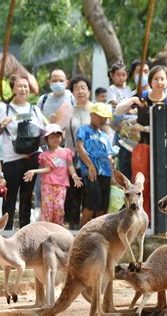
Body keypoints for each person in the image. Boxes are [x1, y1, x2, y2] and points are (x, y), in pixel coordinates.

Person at [0, 74, 46, 230]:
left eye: (26, 86)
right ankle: (6, 231)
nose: (23, 89)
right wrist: (3, 123)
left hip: (32, 158)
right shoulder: (4, 108)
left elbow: (42, 135)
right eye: (19, 86)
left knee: (26, 197)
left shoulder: (34, 109)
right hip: (12, 159)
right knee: (10, 198)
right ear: (12, 88)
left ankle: (25, 231)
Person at [131, 65, 167, 221]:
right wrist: (132, 100)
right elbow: (119, 111)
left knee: (160, 182)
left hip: (161, 148)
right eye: (156, 78)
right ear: (150, 81)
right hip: (141, 147)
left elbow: (166, 127)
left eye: (162, 78)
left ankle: (161, 218)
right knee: (141, 183)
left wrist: (143, 127)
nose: (159, 82)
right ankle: (143, 217)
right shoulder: (141, 97)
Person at [23, 124, 82, 225]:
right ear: (47, 139)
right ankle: (46, 230)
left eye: (58, 136)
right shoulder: (45, 155)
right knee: (48, 209)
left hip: (61, 185)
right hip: (47, 184)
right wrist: (34, 171)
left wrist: (74, 176)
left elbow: (70, 166)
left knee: (59, 208)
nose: (55, 139)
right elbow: (48, 169)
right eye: (52, 137)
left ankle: (57, 228)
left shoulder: (66, 152)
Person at [76, 102, 113, 226]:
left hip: (106, 173)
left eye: (105, 117)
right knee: (92, 203)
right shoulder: (83, 130)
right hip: (91, 172)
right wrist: (90, 165)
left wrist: (113, 174)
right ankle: (80, 233)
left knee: (102, 205)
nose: (103, 120)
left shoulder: (104, 135)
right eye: (100, 116)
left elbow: (109, 155)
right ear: (92, 115)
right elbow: (79, 147)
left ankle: (99, 232)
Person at [114, 59, 150, 180]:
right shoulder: (131, 95)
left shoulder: (155, 95)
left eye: (146, 71)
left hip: (149, 143)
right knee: (128, 177)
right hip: (130, 143)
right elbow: (118, 112)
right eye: (139, 72)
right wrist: (134, 100)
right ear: (133, 75)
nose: (143, 75)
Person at [64, 75, 92, 229]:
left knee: (91, 198)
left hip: (93, 161)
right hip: (72, 161)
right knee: (73, 197)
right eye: (76, 88)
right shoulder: (68, 111)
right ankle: (73, 228)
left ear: (88, 90)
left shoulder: (95, 109)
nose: (80, 91)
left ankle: (88, 229)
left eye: (83, 87)